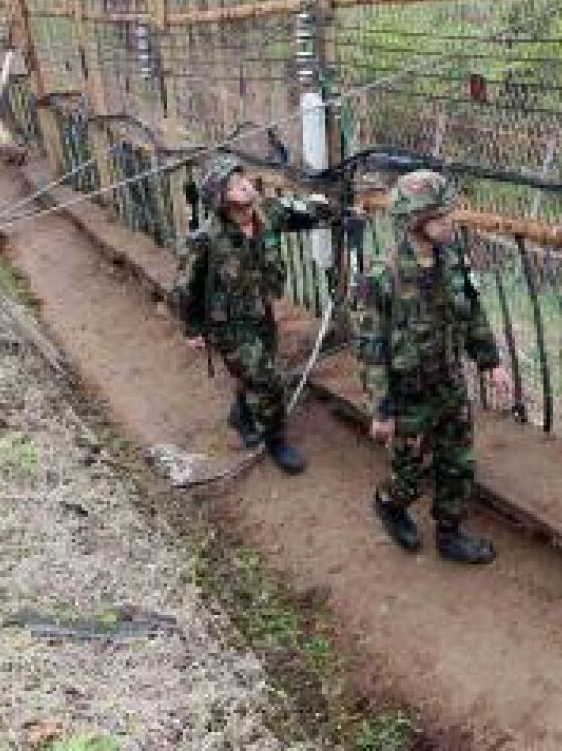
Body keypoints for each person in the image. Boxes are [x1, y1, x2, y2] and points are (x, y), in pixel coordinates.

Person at [354, 169, 516, 564]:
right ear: (417, 221)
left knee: (457, 462)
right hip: (407, 395)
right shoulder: (382, 275)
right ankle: (389, 504)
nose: (451, 221)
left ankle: (450, 532)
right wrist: (381, 409)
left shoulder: (452, 260)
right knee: (409, 474)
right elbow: (370, 348)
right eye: (443, 216)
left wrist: (491, 363)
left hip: (448, 383)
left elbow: (472, 312)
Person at [172, 154, 342, 474]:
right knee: (267, 380)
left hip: (261, 313)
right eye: (236, 185)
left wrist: (335, 212)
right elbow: (185, 288)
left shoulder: (267, 215)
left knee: (250, 372)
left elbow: (303, 216)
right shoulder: (207, 240)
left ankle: (242, 415)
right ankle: (275, 439)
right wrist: (192, 329)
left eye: (245, 180)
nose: (246, 186)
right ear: (222, 198)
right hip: (228, 325)